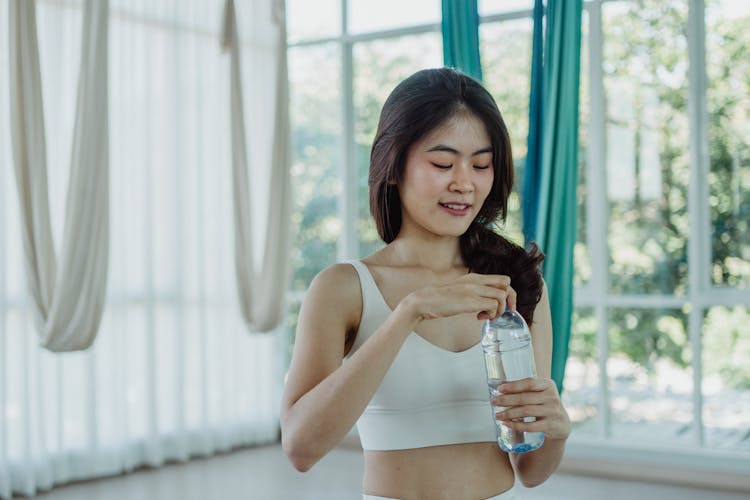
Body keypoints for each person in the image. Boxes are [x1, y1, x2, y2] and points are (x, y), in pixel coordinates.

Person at [280, 67, 571, 500]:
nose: (464, 183)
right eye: (441, 162)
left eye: (481, 164)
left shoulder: (516, 283)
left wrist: (558, 431)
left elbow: (530, 470)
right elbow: (301, 448)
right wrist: (408, 313)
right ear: (393, 166)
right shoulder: (343, 288)